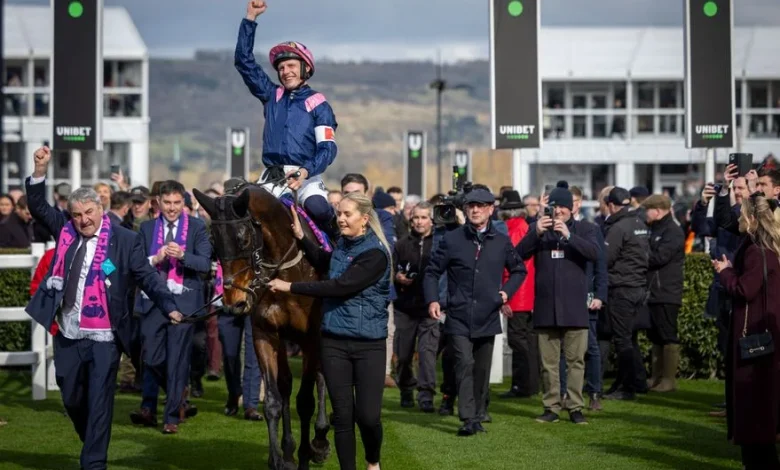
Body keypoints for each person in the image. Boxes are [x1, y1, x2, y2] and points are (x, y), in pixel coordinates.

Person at [24, 146, 183, 470]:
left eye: (88, 213)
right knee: (71, 397)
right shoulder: (65, 230)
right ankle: (92, 440)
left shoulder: (125, 240)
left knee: (99, 400)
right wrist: (40, 170)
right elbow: (38, 206)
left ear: (100, 209)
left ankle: (93, 462)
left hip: (105, 337)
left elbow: (147, 277)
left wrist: (169, 306)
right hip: (68, 331)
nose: (83, 220)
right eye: (77, 214)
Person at [267, 192, 392, 470]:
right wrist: (301, 238)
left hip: (368, 345)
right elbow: (326, 262)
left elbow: (340, 286)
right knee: (343, 418)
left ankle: (373, 462)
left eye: (347, 214)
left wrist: (290, 287)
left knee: (369, 417)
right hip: (334, 341)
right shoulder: (344, 246)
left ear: (365, 218)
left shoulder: (375, 254)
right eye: (339, 214)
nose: (341, 219)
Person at [424, 187, 527, 436]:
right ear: (465, 209)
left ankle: (479, 413)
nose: (476, 210)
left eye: (481, 205)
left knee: (481, 370)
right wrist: (433, 300)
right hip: (458, 315)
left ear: (491, 209)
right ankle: (468, 417)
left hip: (488, 315)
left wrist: (505, 294)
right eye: (471, 205)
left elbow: (519, 270)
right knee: (464, 363)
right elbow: (431, 271)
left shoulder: (501, 241)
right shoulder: (452, 239)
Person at [235, 0, 339, 241]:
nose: (285, 71)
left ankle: (341, 253)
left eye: (291, 65)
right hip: (271, 178)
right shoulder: (272, 95)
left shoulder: (319, 103)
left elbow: (328, 149)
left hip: (305, 178)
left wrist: (305, 171)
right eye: (281, 68)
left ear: (305, 69)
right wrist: (250, 18)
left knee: (320, 210)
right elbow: (243, 61)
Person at [130, 180, 212, 435]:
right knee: (152, 357)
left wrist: (183, 256)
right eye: (167, 203)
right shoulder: (147, 228)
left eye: (177, 203)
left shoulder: (197, 227)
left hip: (185, 301)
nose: (172, 208)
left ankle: (171, 417)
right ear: (158, 203)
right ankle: (163, 402)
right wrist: (157, 258)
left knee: (177, 360)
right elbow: (137, 265)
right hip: (153, 300)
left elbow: (205, 264)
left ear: (183, 203)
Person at [516, 182, 601, 424]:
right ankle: (551, 407)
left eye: (564, 207)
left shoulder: (586, 229)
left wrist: (569, 235)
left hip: (574, 307)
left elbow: (594, 254)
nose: (559, 211)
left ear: (572, 209)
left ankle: (575, 407)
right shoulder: (539, 228)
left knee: (576, 361)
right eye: (555, 207)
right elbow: (517, 255)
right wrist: (536, 233)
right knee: (549, 363)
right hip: (545, 306)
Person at [715, 192, 780, 470]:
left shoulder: (758, 250)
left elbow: (745, 289)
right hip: (762, 338)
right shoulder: (762, 248)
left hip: (756, 341)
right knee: (758, 413)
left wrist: (725, 272)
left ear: (752, 219)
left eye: (742, 214)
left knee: (755, 413)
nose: (739, 219)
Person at [602, 187, 650, 401]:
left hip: (622, 289)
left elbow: (606, 259)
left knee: (622, 340)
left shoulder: (618, 228)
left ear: (611, 205)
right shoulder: (639, 223)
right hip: (638, 287)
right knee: (628, 338)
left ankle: (627, 388)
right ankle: (626, 382)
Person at [393, 202, 437, 412]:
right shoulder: (401, 244)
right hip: (405, 305)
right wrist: (397, 277)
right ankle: (406, 389)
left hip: (430, 307)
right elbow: (391, 269)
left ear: (431, 220)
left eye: (423, 217)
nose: (419, 222)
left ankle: (426, 394)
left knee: (427, 353)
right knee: (403, 354)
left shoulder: (439, 243)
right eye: (416, 218)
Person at [642, 195, 685, 393]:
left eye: (647, 210)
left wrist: (640, 255)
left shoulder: (673, 231)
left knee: (668, 335)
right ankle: (656, 377)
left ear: (657, 211)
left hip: (667, 291)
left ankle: (668, 380)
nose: (645, 214)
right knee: (656, 335)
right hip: (654, 291)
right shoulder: (655, 228)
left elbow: (659, 257)